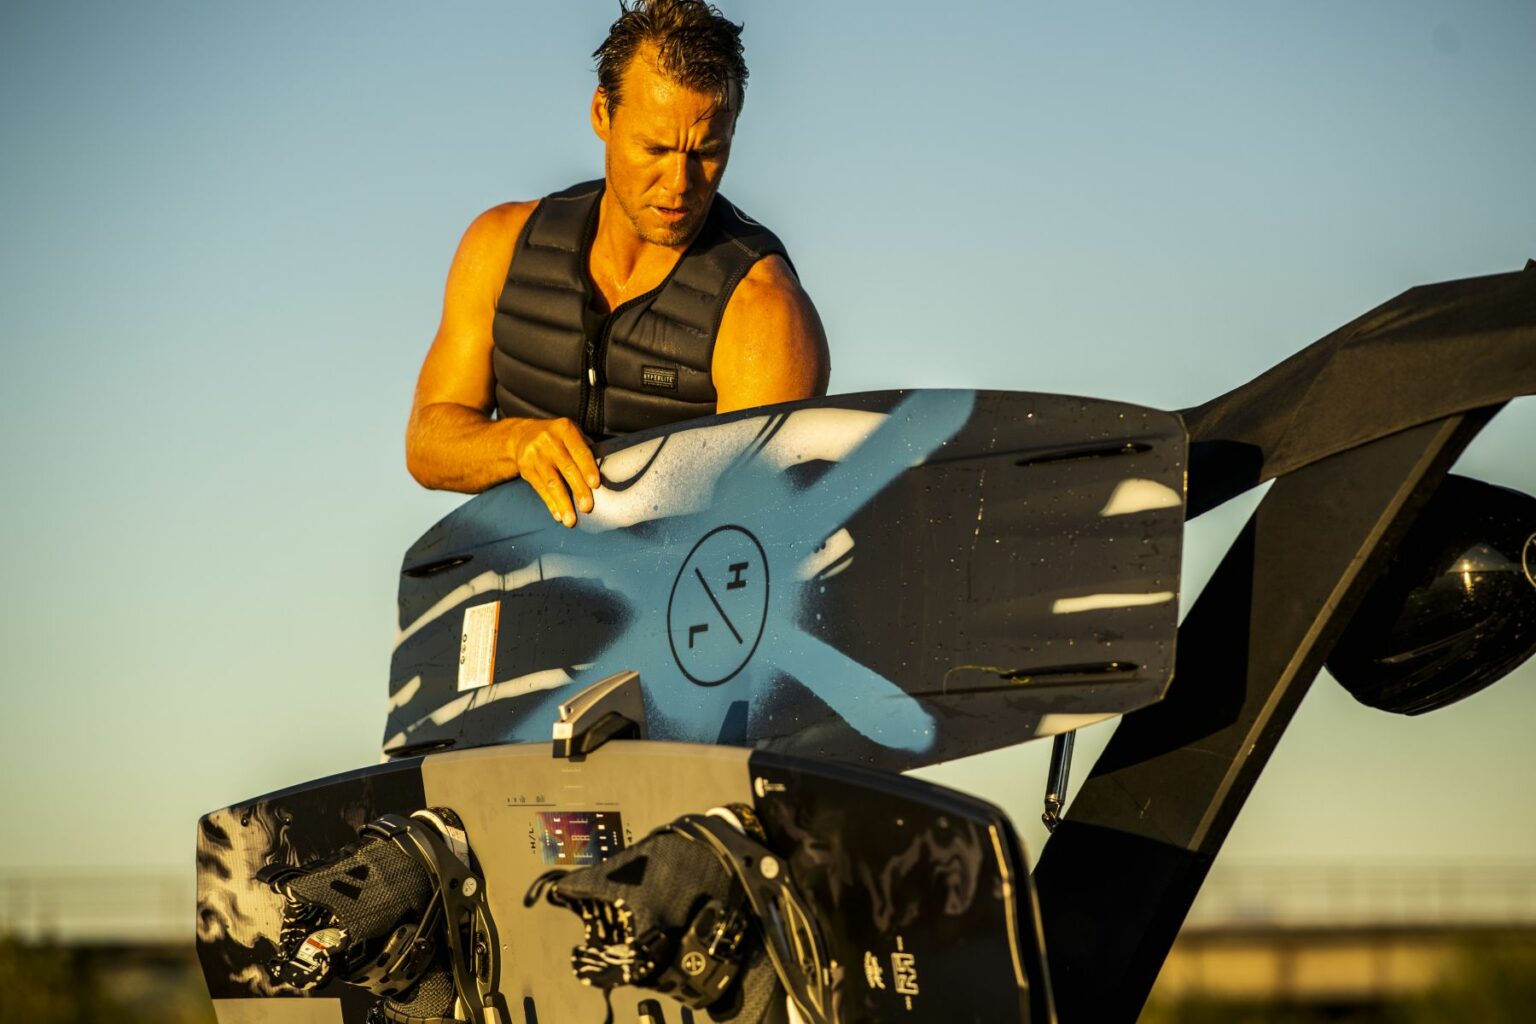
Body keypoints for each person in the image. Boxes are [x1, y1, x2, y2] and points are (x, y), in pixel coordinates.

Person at [405, 0, 830, 527]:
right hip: (527, 588)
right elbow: (428, 441)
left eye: (706, 153)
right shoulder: (500, 245)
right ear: (602, 113)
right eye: (654, 149)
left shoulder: (765, 312)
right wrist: (516, 443)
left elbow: (756, 536)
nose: (680, 184)